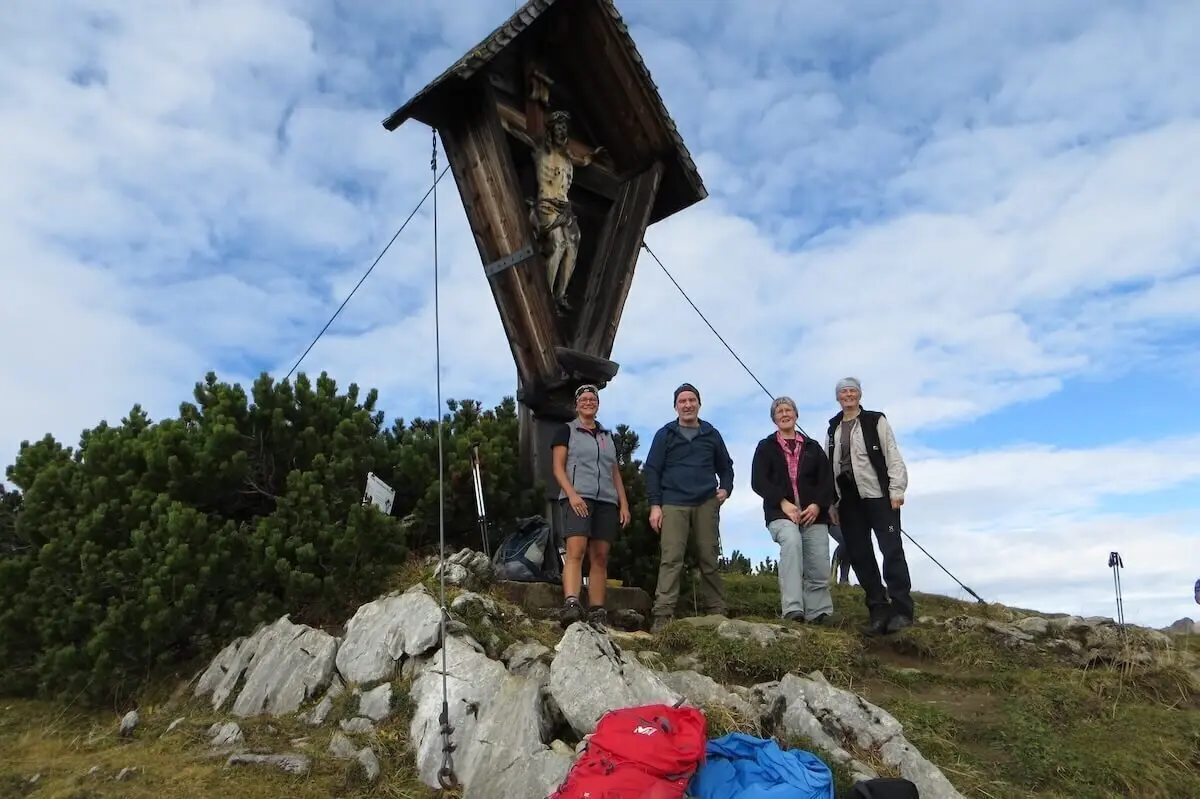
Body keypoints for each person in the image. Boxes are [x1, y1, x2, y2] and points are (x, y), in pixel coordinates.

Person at [826, 377, 914, 636]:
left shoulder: (876, 420)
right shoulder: (833, 428)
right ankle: (877, 609)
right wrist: (833, 502)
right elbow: (831, 466)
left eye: (852, 391)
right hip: (848, 500)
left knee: (891, 550)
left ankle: (902, 610)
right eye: (843, 392)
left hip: (878, 495)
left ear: (860, 395)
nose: (848, 395)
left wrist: (897, 489)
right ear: (838, 397)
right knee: (861, 554)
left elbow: (892, 455)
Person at [644, 383, 734, 632]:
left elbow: (726, 466)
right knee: (671, 558)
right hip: (673, 502)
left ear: (699, 404)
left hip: (706, 501)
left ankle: (716, 610)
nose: (687, 405)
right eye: (682, 401)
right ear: (675, 406)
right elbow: (652, 470)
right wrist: (655, 505)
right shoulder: (665, 434)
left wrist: (725, 488)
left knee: (709, 556)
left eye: (691, 400)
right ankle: (663, 614)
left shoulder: (711, 434)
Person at [750, 396, 837, 624]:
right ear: (774, 419)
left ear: (796, 415)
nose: (785, 414)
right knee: (791, 543)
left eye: (788, 410)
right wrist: (782, 502)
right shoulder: (766, 447)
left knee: (818, 560)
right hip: (780, 514)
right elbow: (758, 481)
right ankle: (793, 609)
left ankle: (819, 612)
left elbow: (826, 482)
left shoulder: (813, 447)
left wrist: (817, 505)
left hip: (814, 515)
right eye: (779, 411)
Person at [551, 384, 630, 627]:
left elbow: (614, 472)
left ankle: (597, 608)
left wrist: (623, 503)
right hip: (578, 497)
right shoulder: (566, 431)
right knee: (576, 551)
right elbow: (557, 467)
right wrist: (572, 495)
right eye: (583, 399)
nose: (588, 402)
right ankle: (572, 602)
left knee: (600, 556)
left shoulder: (607, 436)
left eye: (592, 399)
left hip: (606, 500)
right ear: (576, 404)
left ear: (597, 404)